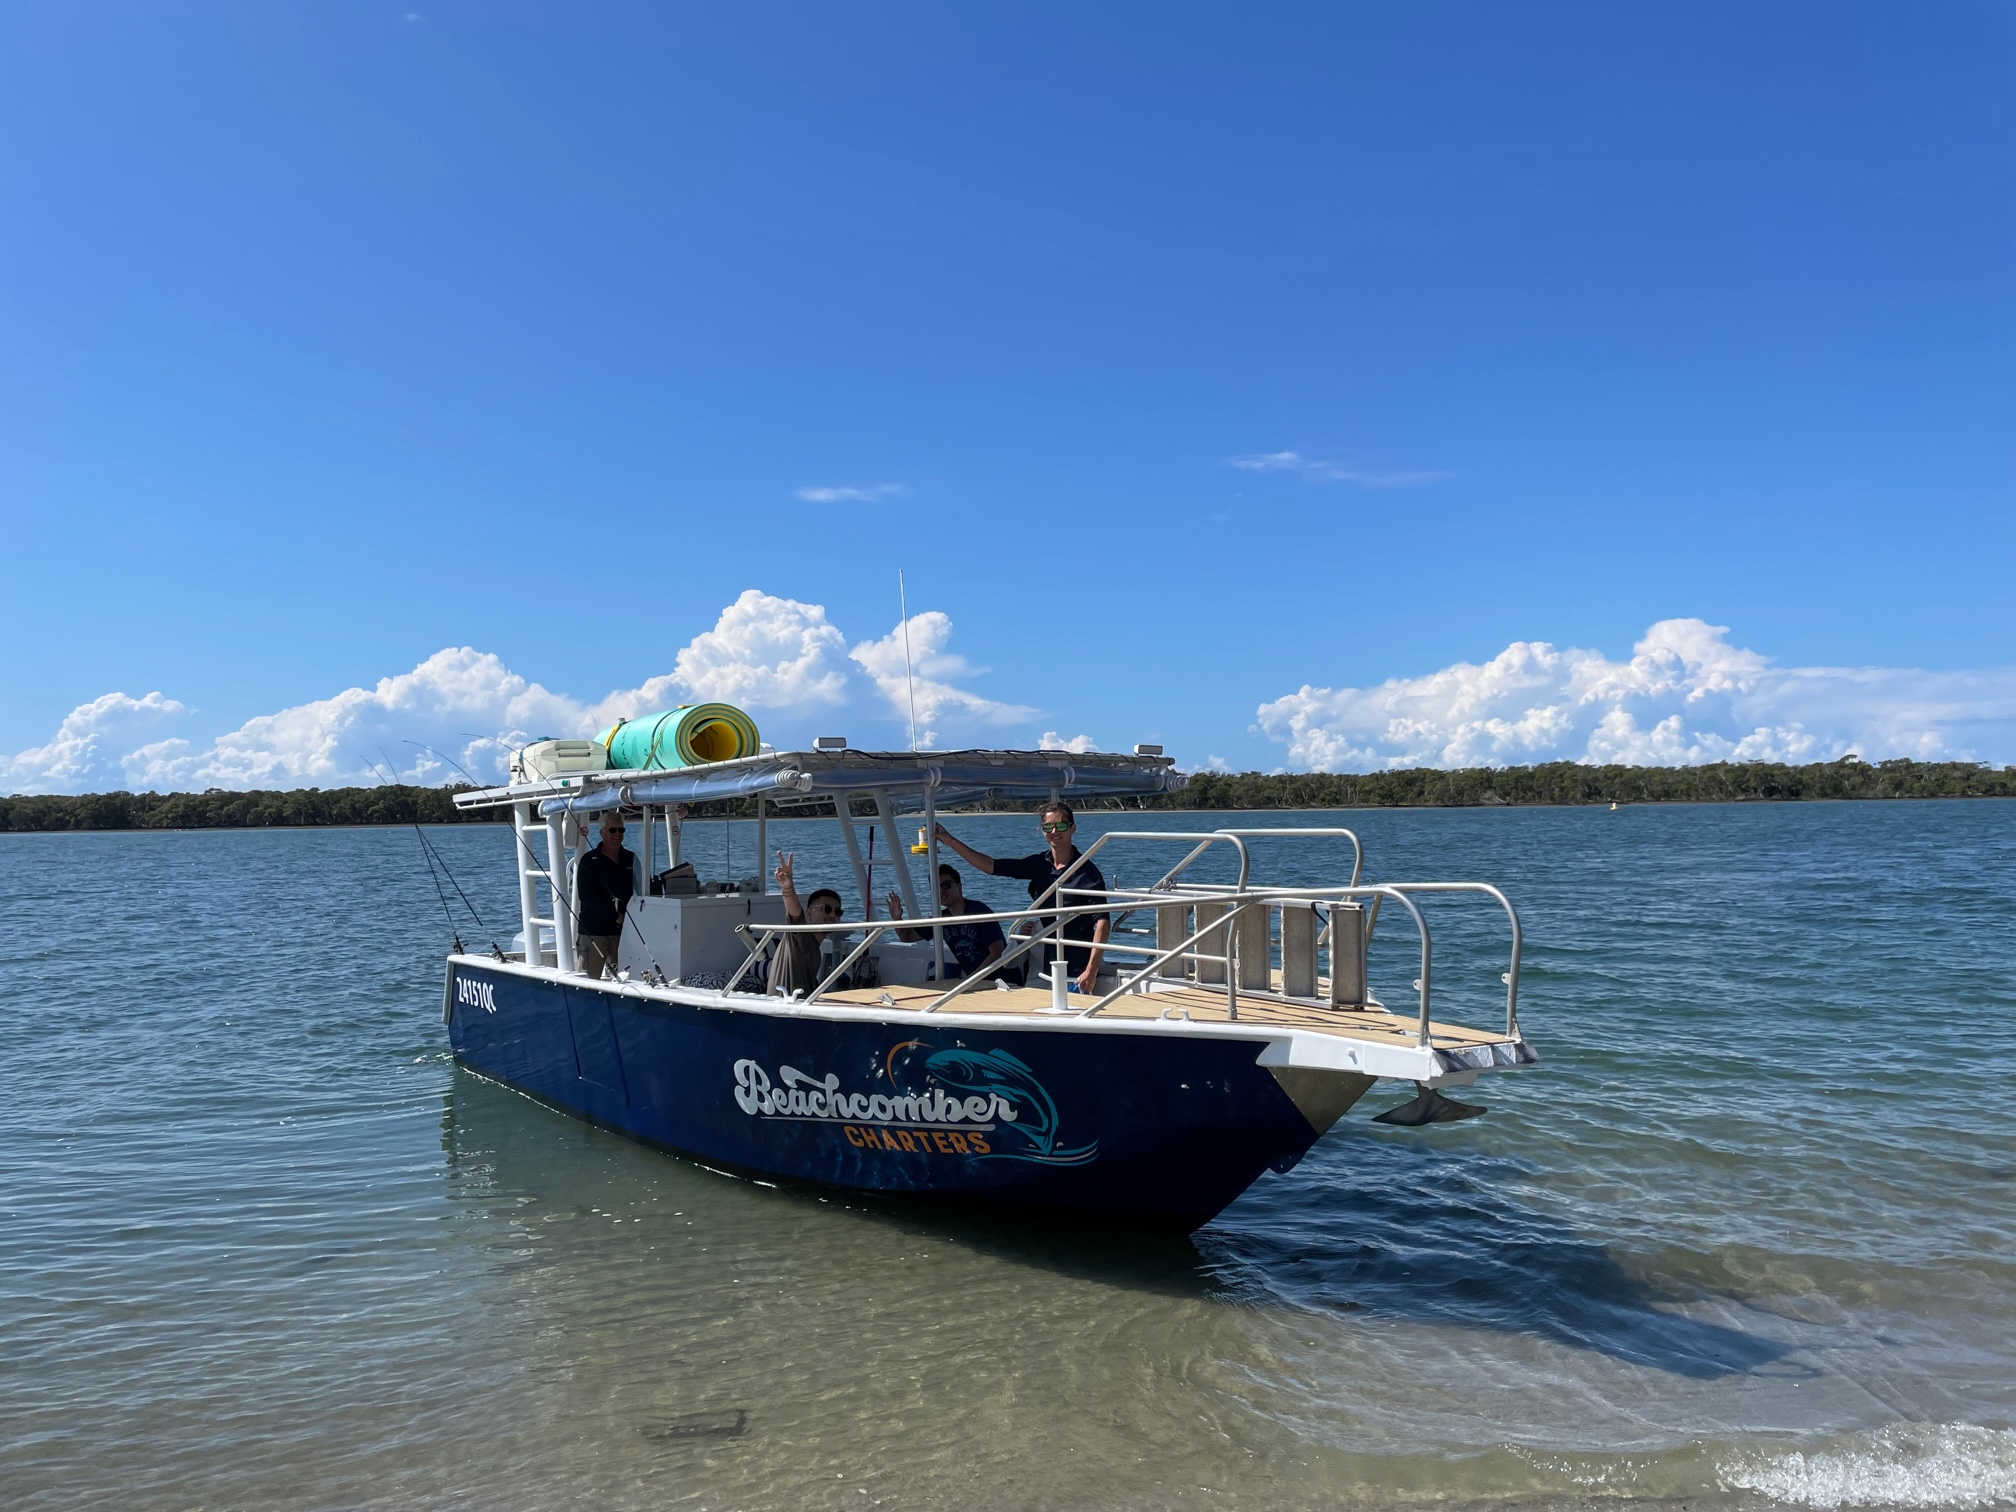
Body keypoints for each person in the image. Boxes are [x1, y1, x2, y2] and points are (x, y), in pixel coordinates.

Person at [933, 801, 1110, 992]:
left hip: (1076, 964)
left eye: (1061, 825)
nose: (1054, 831)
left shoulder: (1087, 873)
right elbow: (991, 866)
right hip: (1046, 961)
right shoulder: (1040, 864)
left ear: (1072, 828)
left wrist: (1091, 970)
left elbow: (1102, 921)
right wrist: (949, 840)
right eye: (1048, 826)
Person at [885, 864, 1007, 982]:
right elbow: (906, 937)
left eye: (946, 885)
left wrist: (970, 980)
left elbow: (997, 951)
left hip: (1002, 980)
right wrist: (896, 918)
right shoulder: (942, 918)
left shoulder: (978, 911)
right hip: (975, 982)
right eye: (935, 888)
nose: (941, 891)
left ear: (959, 886)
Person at [574, 815, 641, 979]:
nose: (617, 834)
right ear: (602, 832)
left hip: (623, 933)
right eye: (613, 830)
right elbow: (586, 897)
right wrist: (615, 916)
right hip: (594, 932)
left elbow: (641, 890)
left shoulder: (631, 859)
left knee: (627, 979)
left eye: (621, 830)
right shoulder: (588, 861)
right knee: (590, 982)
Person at [770, 850, 843, 997]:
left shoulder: (816, 948)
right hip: (784, 1012)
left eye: (837, 912)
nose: (832, 915)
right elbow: (794, 911)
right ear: (809, 914)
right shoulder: (799, 935)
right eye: (826, 909)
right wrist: (787, 888)